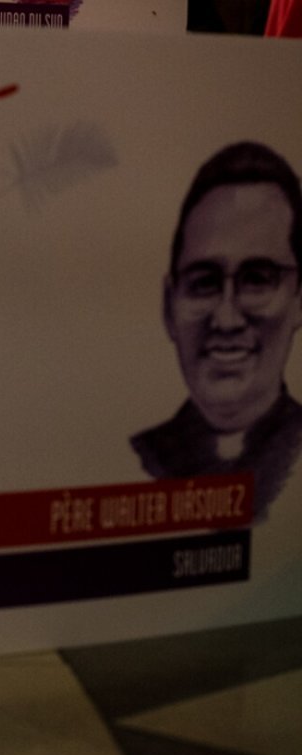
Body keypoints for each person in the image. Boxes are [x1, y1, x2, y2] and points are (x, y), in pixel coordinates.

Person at [131, 141, 302, 521]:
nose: (226, 319)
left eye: (257, 280)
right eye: (203, 282)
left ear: (298, 300)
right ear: (168, 307)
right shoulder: (138, 460)